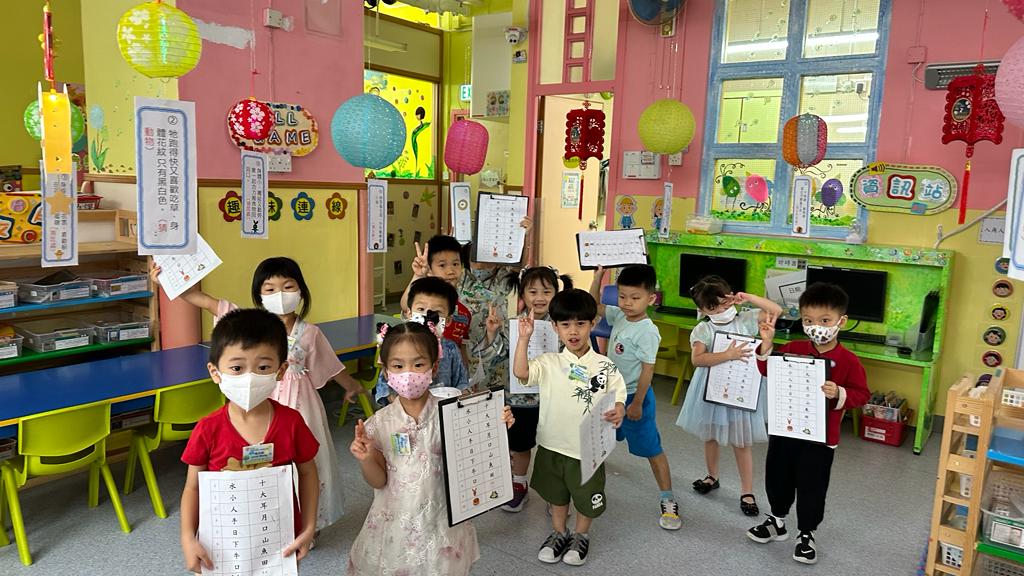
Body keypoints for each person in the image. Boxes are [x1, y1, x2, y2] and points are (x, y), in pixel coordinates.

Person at [152, 257, 356, 533]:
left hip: (302, 405)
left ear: (301, 290)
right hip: (258, 403)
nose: (280, 294)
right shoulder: (247, 325)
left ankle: (309, 523)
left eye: (287, 286)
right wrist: (168, 280)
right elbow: (203, 300)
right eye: (270, 289)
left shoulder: (311, 333)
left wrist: (350, 385)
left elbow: (328, 365)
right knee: (259, 463)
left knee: (305, 461)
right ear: (259, 295)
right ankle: (263, 521)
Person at [347, 322, 514, 576]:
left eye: (418, 364)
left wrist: (496, 425)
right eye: (398, 366)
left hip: (442, 520)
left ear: (433, 368)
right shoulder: (378, 425)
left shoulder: (453, 412)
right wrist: (367, 457)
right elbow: (378, 481)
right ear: (386, 372)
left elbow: (475, 454)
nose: (408, 374)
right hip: (396, 525)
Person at [180, 309, 319, 573]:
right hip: (221, 547)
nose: (249, 377)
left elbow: (308, 472)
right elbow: (193, 487)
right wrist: (188, 537)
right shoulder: (207, 429)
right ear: (215, 372)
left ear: (281, 371)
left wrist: (309, 526)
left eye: (263, 367)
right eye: (237, 368)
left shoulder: (291, 422)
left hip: (278, 544)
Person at [747, 282, 869, 566]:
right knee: (777, 477)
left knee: (811, 485)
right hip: (785, 429)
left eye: (825, 321)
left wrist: (839, 393)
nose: (817, 327)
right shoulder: (793, 347)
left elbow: (862, 394)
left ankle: (806, 533)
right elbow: (767, 370)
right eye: (809, 320)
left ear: (841, 321)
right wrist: (767, 343)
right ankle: (777, 521)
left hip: (820, 438)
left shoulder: (849, 361)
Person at [513, 289, 626, 567]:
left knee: (586, 497)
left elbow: (619, 395)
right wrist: (524, 338)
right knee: (557, 495)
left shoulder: (604, 365)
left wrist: (619, 409)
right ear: (555, 327)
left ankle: (580, 535)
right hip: (552, 445)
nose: (573, 331)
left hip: (588, 449)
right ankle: (559, 532)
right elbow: (521, 373)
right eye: (565, 324)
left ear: (592, 323)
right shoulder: (549, 362)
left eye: (580, 323)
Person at [676, 275, 781, 517]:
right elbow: (697, 359)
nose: (721, 311)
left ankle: (747, 491)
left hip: (740, 390)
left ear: (731, 298)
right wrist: (728, 355)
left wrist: (748, 298)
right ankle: (712, 476)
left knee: (741, 441)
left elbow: (775, 311)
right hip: (711, 389)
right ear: (703, 310)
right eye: (713, 308)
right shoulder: (703, 328)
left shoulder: (745, 319)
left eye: (724, 304)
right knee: (710, 436)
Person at [475, 266, 573, 513]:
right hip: (519, 399)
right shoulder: (513, 325)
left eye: (546, 291)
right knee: (519, 445)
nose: (539, 297)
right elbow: (497, 358)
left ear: (556, 293)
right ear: (522, 294)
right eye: (533, 291)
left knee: (554, 447)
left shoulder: (562, 325)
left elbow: (571, 359)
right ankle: (519, 484)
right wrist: (492, 333)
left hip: (553, 399)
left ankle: (555, 492)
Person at [590, 264, 680, 530]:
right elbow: (593, 306)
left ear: (651, 299)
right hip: (611, 395)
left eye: (635, 298)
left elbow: (647, 370)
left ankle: (668, 499)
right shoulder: (619, 315)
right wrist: (597, 277)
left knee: (652, 449)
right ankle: (588, 488)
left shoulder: (648, 331)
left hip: (634, 398)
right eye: (622, 296)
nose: (627, 303)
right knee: (599, 441)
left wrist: (638, 403)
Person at [373, 276, 470, 404]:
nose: (427, 316)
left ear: (448, 320)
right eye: (421, 309)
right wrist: (400, 404)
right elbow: (384, 387)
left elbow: (461, 383)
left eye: (437, 312)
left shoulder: (451, 349)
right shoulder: (397, 346)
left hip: (442, 411)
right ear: (409, 313)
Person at [402, 235, 473, 350]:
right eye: (442, 265)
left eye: (455, 264)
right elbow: (406, 305)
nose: (450, 271)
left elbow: (462, 347)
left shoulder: (464, 313)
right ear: (429, 269)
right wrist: (418, 275)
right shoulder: (422, 299)